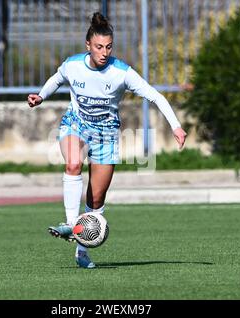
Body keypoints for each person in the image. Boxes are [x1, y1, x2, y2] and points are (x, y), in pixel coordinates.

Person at [27, 12, 186, 269]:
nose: (104, 52)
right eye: (99, 47)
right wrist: (41, 96)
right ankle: (70, 223)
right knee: (73, 164)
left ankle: (81, 252)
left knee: (96, 201)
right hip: (75, 125)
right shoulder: (73, 65)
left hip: (106, 135)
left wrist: (176, 126)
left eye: (108, 47)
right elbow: (57, 79)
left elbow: (155, 96)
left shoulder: (121, 72)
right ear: (88, 45)